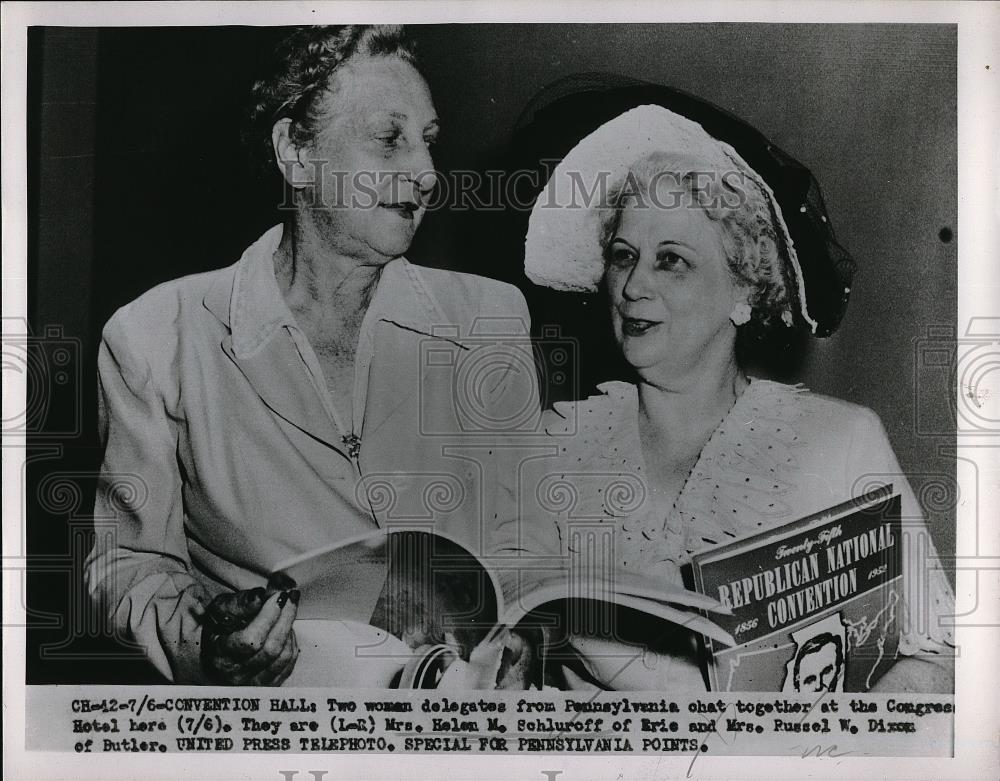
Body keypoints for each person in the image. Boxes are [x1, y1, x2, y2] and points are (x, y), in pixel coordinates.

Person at [85, 25, 537, 686]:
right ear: (295, 152)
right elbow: (127, 564)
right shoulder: (156, 336)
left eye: (428, 141)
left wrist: (530, 635)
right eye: (391, 138)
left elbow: (528, 542)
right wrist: (206, 641)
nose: (427, 174)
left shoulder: (491, 321)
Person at [514, 83, 955, 693]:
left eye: (671, 259)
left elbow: (936, 657)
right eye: (623, 255)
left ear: (745, 292)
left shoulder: (838, 443)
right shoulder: (550, 446)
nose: (634, 285)